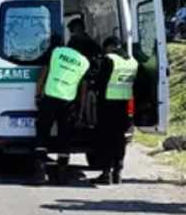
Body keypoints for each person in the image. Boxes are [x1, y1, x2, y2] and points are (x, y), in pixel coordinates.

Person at [34, 36, 91, 185]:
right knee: (64, 135)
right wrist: (82, 110)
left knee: (42, 131)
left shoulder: (57, 52)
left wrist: (37, 93)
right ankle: (62, 174)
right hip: (68, 101)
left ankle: (41, 171)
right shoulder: (84, 62)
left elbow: (43, 73)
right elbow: (83, 88)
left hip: (50, 97)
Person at [92, 37, 139, 185]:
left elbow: (100, 81)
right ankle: (118, 172)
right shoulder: (133, 61)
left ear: (110, 47)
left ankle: (106, 174)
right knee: (119, 140)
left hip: (108, 105)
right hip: (125, 105)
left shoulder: (109, 59)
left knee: (106, 139)